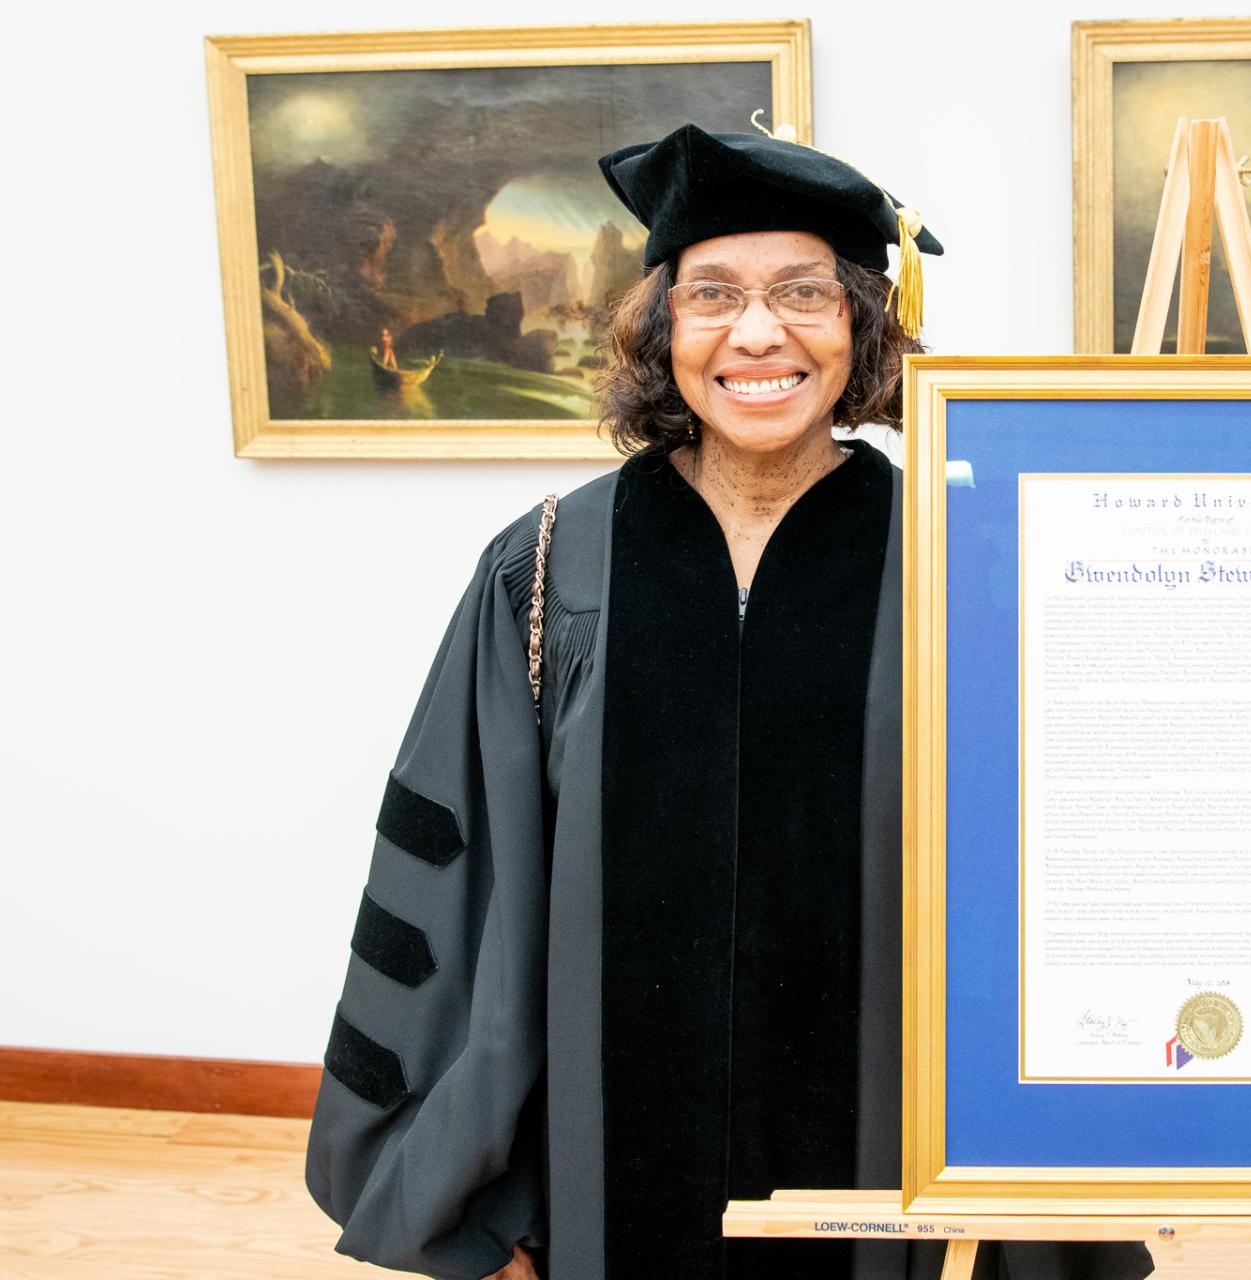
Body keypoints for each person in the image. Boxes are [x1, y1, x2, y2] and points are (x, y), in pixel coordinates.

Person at [304, 123, 1155, 1280]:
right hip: (602, 1192)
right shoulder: (551, 569)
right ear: (664, 333)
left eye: (804, 292)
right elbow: (460, 894)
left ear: (862, 325)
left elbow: (1055, 891)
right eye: (713, 295)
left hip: (885, 1184)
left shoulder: (966, 562)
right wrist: (474, 1205)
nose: (759, 332)